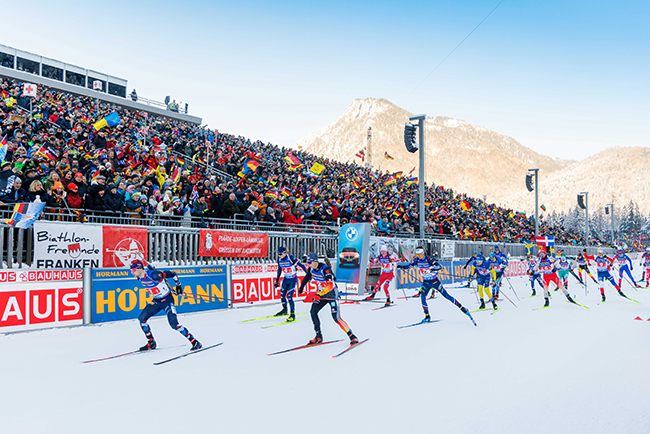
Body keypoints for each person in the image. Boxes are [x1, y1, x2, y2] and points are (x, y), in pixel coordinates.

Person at [129, 259, 202, 351]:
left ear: (139, 268)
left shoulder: (154, 275)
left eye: (133, 270)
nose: (132, 272)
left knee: (174, 324)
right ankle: (151, 343)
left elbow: (173, 273)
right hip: (156, 301)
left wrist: (178, 285)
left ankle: (195, 342)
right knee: (142, 320)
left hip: (167, 300)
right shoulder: (139, 276)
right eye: (131, 270)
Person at [398, 247, 473, 322]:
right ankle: (427, 316)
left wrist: (432, 269)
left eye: (420, 254)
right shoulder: (417, 260)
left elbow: (439, 266)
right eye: (417, 254)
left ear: (423, 253)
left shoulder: (429, 259)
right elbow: (410, 265)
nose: (418, 256)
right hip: (426, 282)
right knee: (422, 298)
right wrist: (402, 267)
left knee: (447, 296)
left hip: (434, 282)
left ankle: (462, 308)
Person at [299, 252, 358, 346]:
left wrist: (319, 293)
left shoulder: (325, 269)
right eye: (307, 262)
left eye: (309, 262)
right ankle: (318, 336)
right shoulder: (311, 269)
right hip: (322, 294)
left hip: (331, 294)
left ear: (315, 261)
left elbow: (330, 285)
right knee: (313, 312)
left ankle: (352, 336)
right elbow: (307, 277)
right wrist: (301, 287)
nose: (308, 264)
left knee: (336, 318)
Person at [274, 246, 307, 321]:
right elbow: (279, 270)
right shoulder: (279, 259)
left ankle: (292, 314)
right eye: (278, 254)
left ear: (285, 253)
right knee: (282, 295)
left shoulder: (291, 258)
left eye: (280, 254)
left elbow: (302, 265)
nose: (279, 256)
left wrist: (307, 276)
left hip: (292, 279)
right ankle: (284, 310)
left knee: (289, 297)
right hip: (286, 279)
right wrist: (276, 280)